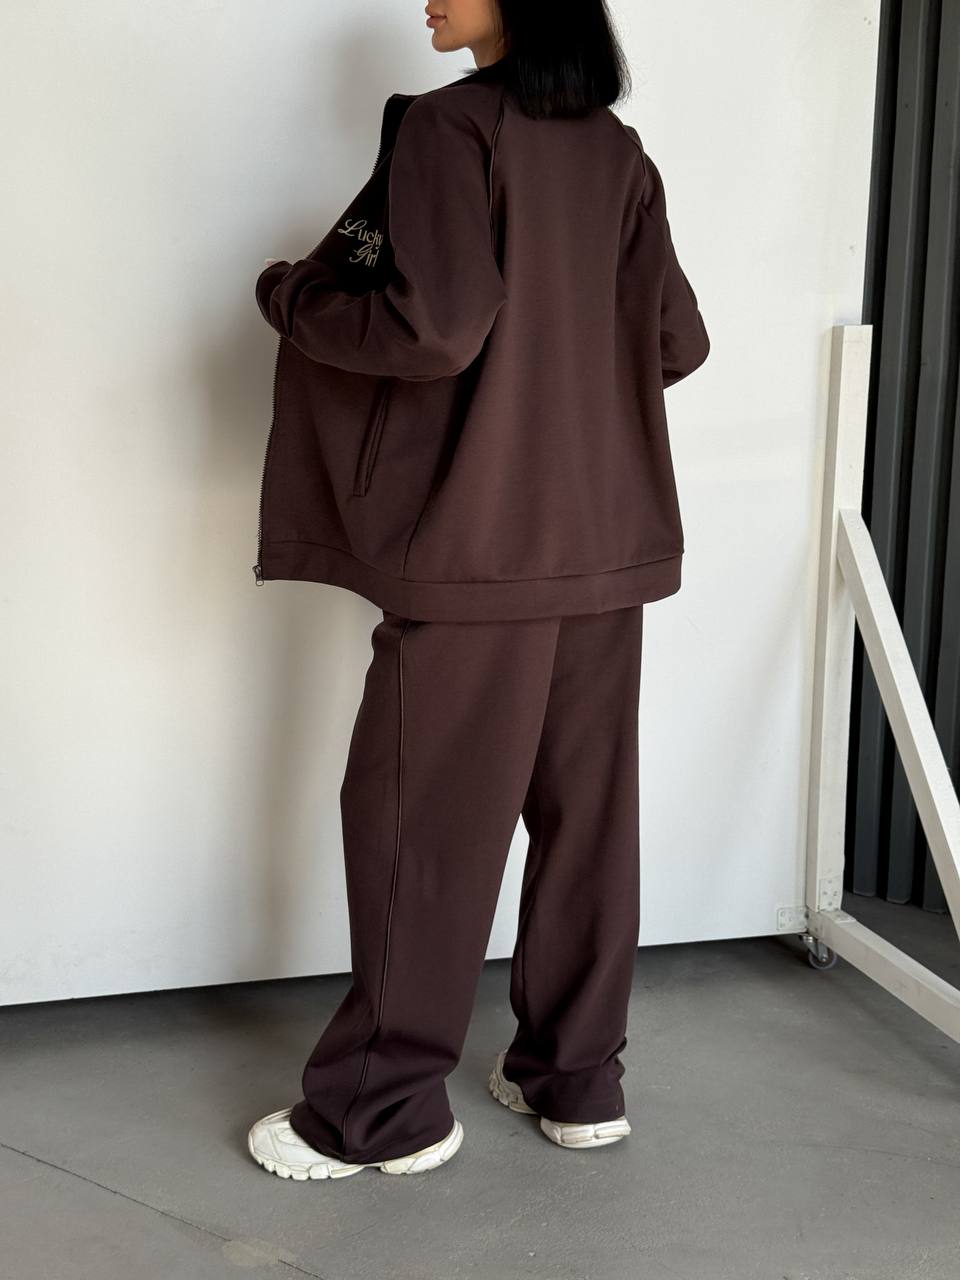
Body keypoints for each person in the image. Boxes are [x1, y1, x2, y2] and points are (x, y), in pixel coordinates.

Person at [247, 0, 710, 1181]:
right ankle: (576, 1078)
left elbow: (436, 331)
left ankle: (382, 1109)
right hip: (604, 544)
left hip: (481, 551)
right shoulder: (616, 150)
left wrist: (294, 297)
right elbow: (677, 340)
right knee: (586, 820)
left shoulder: (449, 131)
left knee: (420, 828)